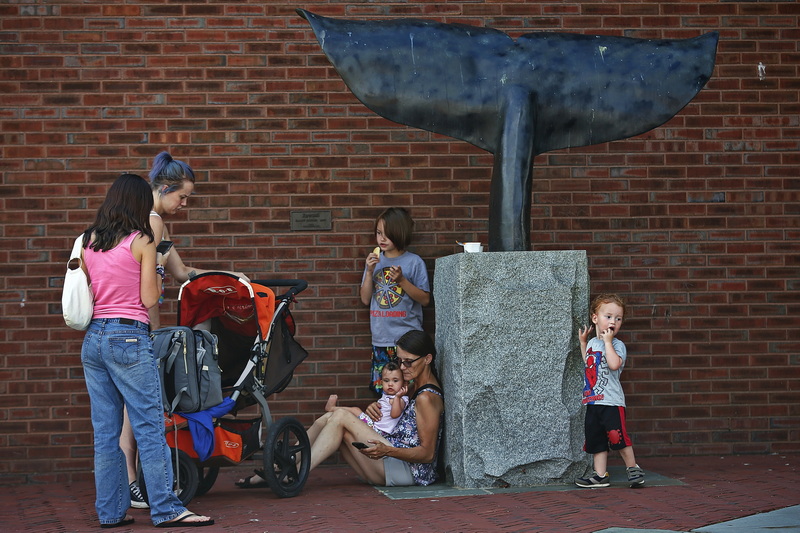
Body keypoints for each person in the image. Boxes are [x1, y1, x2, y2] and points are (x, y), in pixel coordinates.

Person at [79, 173, 214, 527]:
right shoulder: (142, 240)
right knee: (150, 426)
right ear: (140, 203)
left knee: (105, 432)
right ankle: (167, 508)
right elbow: (149, 298)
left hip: (94, 339)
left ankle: (109, 513)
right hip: (128, 336)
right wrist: (155, 269)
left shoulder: (88, 240)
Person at [123, 151, 251, 507]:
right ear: (164, 188)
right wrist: (153, 326)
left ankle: (129, 481)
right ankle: (134, 485)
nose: (184, 203)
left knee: (130, 410)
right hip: (139, 324)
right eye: (182, 196)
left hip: (127, 323)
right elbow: (147, 281)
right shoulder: (152, 220)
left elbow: (181, 273)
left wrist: (225, 276)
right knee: (137, 412)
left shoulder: (140, 219)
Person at [237, 330, 443, 488]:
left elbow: (427, 454)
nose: (403, 366)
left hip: (408, 472)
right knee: (334, 416)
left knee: (341, 414)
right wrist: (375, 406)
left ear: (427, 359)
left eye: (408, 361)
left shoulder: (427, 397)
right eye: (400, 360)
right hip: (391, 461)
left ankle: (291, 472)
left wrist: (387, 450)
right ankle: (280, 468)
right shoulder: (415, 385)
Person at [574, 293, 644, 489]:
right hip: (593, 402)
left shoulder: (617, 345)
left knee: (618, 437)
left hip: (612, 402)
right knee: (596, 439)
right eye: (608, 316)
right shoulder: (593, 344)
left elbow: (614, 365)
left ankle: (633, 468)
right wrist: (582, 344)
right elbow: (589, 364)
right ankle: (600, 475)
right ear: (595, 318)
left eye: (618, 318)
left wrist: (607, 342)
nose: (613, 321)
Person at [359, 207, 430, 395]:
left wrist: (401, 281)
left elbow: (425, 299)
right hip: (381, 339)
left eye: (387, 235)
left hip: (407, 341)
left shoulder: (414, 262)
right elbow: (365, 299)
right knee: (384, 390)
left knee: (408, 389)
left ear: (400, 234)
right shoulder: (374, 263)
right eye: (378, 233)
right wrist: (368, 271)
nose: (381, 239)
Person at [325, 361, 409, 436]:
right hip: (373, 426)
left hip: (380, 432)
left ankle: (332, 408)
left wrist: (397, 397)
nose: (390, 384)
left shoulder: (401, 399)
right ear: (381, 382)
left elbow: (394, 415)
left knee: (356, 410)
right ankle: (333, 409)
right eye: (386, 380)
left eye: (395, 380)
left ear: (404, 383)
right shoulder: (387, 395)